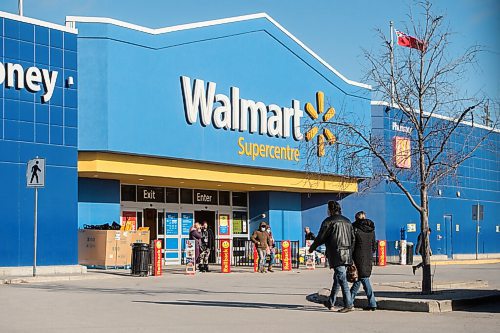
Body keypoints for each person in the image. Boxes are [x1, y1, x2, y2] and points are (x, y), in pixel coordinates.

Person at [308, 200, 355, 313]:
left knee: (342, 279)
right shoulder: (348, 221)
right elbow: (353, 238)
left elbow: (321, 237)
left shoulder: (329, 221)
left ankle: (349, 304)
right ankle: (331, 302)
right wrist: (350, 252)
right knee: (337, 279)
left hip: (336, 254)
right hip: (347, 254)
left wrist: (312, 247)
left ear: (330, 210)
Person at [350, 211, 377, 311]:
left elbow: (352, 244)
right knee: (360, 278)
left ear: (356, 218)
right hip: (368, 256)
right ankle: (349, 300)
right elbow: (374, 245)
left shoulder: (355, 228)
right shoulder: (371, 230)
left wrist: (350, 256)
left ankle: (372, 302)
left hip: (358, 256)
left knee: (363, 279)